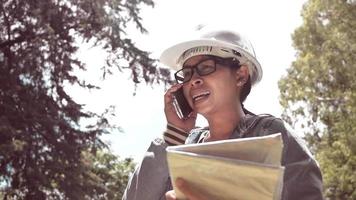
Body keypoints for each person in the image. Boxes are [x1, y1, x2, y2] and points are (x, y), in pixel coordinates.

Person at [122, 27, 324, 200]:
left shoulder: (271, 133)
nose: (194, 80)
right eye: (187, 73)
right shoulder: (181, 145)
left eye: (206, 67)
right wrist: (174, 134)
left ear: (240, 75)